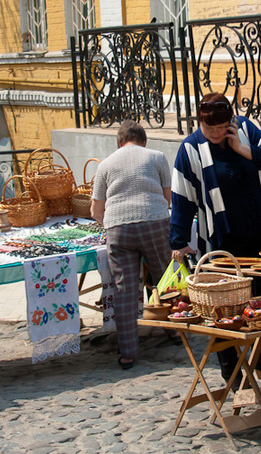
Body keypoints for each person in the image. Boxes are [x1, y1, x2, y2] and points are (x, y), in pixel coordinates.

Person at [170, 92, 261, 383]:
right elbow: (182, 196)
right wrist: (179, 241)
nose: (216, 135)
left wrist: (243, 149)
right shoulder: (191, 148)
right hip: (222, 242)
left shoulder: (246, 130)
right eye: (209, 130)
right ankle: (230, 369)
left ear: (231, 121)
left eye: (221, 129)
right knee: (223, 310)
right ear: (199, 124)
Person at [91, 120, 172, 370]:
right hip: (154, 222)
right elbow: (167, 198)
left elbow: (95, 209)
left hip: (118, 228)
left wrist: (112, 219)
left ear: (119, 142)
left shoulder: (105, 165)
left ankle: (127, 353)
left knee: (124, 290)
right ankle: (176, 331)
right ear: (144, 141)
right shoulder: (157, 157)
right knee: (164, 277)